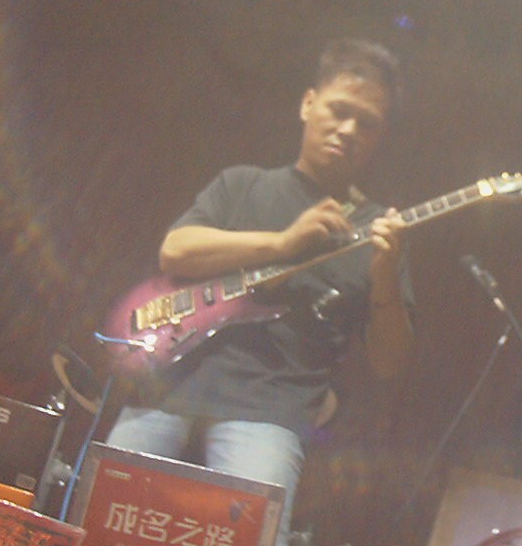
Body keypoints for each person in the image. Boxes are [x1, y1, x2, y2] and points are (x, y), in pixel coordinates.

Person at [106, 38, 415, 546]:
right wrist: (282, 243)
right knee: (105, 522)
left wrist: (386, 276)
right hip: (167, 391)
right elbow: (175, 251)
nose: (349, 130)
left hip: (270, 414)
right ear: (308, 103)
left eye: (367, 123)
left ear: (380, 137)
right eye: (339, 111)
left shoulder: (380, 231)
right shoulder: (243, 185)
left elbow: (390, 363)